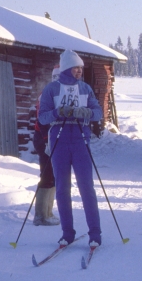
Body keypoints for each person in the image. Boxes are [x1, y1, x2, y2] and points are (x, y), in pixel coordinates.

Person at [38, 49, 103, 247]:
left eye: (80, 68)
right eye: (75, 68)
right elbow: (42, 117)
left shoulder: (85, 88)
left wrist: (88, 112)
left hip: (80, 139)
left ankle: (95, 234)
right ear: (66, 69)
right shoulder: (52, 89)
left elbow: (98, 112)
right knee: (63, 189)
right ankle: (67, 233)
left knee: (86, 188)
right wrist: (58, 112)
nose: (79, 72)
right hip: (59, 139)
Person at [32, 66, 60, 226]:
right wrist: (46, 140)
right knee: (47, 175)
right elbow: (42, 120)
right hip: (45, 138)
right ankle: (41, 215)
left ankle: (48, 212)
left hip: (54, 137)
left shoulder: (60, 94)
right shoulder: (47, 94)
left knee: (54, 176)